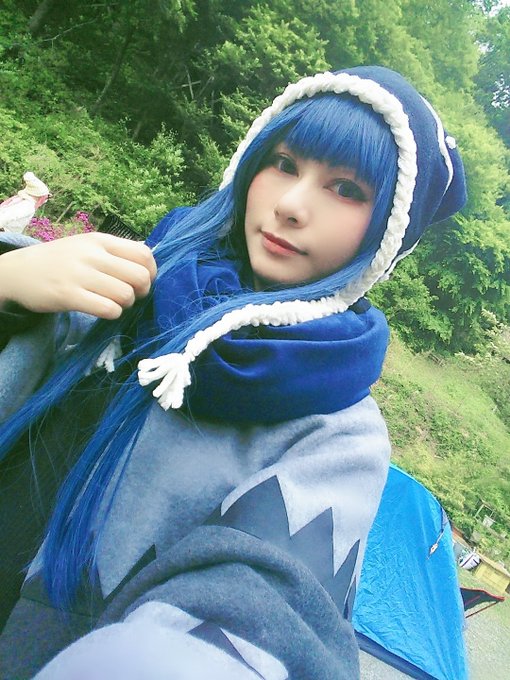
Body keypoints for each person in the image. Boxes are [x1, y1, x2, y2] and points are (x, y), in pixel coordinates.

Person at [0, 66, 466, 679]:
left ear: (388, 231)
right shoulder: (118, 283)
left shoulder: (338, 437)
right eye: (283, 163)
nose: (291, 205)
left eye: (346, 189)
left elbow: (267, 612)